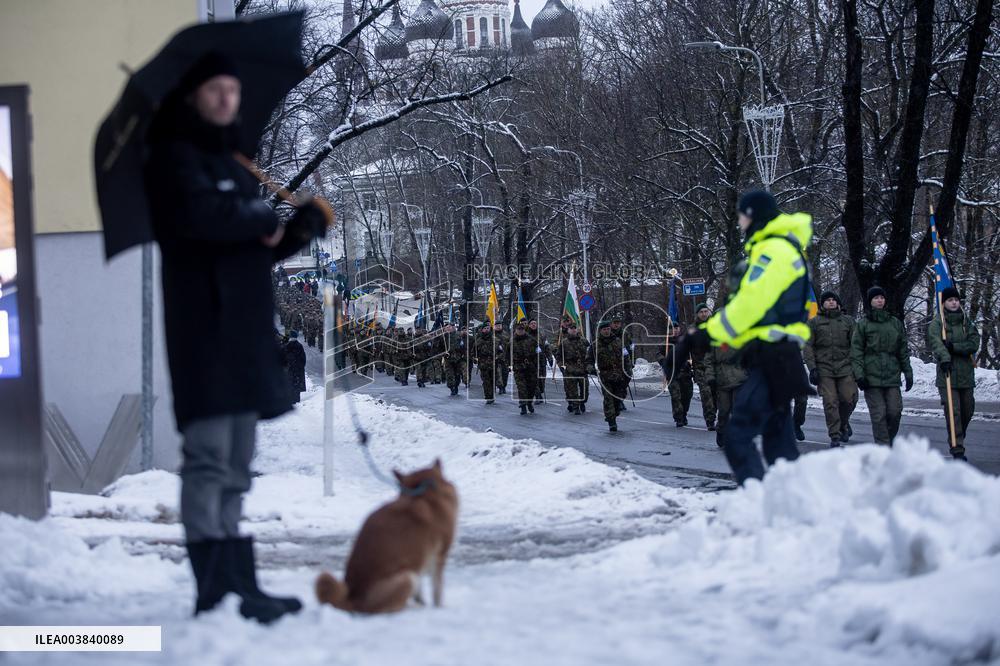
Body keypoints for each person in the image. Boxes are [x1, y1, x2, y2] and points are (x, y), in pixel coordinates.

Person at [144, 53, 327, 622]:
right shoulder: (176, 160)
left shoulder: (231, 162)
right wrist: (260, 217)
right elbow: (205, 223)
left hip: (245, 337)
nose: (225, 99)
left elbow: (255, 249)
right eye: (214, 89)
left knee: (239, 461)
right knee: (209, 460)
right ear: (195, 97)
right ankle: (212, 586)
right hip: (203, 339)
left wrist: (304, 225)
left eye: (231, 89)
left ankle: (235, 581)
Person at [684, 190, 812, 485]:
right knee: (777, 438)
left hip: (774, 356)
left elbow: (751, 304)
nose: (740, 221)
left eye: (743, 215)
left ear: (754, 215)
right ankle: (794, 500)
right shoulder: (782, 248)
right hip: (776, 355)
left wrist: (707, 333)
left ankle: (761, 500)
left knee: (738, 434)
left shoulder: (773, 251)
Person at [851, 286, 913, 446]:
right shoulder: (863, 324)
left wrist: (908, 372)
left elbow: (902, 350)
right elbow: (856, 351)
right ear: (870, 301)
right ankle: (883, 447)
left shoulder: (895, 323)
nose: (879, 300)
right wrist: (859, 375)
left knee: (894, 412)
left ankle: (889, 441)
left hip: (892, 376)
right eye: (876, 298)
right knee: (879, 415)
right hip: (871, 377)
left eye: (882, 297)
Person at [926, 286, 979, 460]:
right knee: (953, 411)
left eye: (956, 300)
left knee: (968, 410)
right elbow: (935, 342)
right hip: (947, 373)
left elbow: (973, 343)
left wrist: (955, 347)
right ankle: (957, 448)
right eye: (950, 300)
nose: (954, 302)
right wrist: (945, 357)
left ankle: (958, 435)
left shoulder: (966, 322)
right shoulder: (938, 322)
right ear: (944, 303)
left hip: (965, 375)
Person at [803, 291, 858, 447]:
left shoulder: (848, 321)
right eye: (827, 300)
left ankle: (843, 424)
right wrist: (812, 368)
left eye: (834, 300)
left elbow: (856, 345)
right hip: (824, 369)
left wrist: (857, 367)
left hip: (845, 367)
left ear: (838, 303)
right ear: (822, 304)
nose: (831, 302)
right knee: (830, 402)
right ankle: (835, 435)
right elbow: (807, 346)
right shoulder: (814, 323)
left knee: (849, 399)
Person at [704, 343, 747, 449]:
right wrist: (710, 376)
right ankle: (721, 430)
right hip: (722, 380)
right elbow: (708, 360)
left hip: (740, 379)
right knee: (724, 410)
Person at [590, 320, 627, 431]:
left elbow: (626, 357)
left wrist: (628, 370)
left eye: (608, 329)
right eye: (604, 329)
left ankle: (614, 413)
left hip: (619, 375)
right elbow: (589, 360)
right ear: (600, 331)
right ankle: (611, 421)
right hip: (605, 375)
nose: (606, 331)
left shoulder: (618, 341)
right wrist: (591, 369)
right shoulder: (595, 345)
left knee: (618, 398)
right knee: (608, 398)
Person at [659, 326, 694, 427]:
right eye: (672, 328)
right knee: (676, 396)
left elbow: (694, 354)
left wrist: (692, 362)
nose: (675, 330)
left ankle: (684, 414)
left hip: (685, 374)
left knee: (687, 396)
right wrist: (665, 361)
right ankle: (678, 418)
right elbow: (658, 354)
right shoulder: (665, 343)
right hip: (672, 374)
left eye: (676, 328)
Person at [689, 304, 717, 431]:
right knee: (706, 395)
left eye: (706, 311)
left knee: (716, 395)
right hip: (700, 368)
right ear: (697, 314)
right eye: (701, 312)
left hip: (715, 367)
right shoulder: (692, 329)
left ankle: (714, 416)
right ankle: (710, 421)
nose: (704, 314)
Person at [556, 321, 589, 414]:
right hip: (570, 369)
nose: (573, 330)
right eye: (571, 328)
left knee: (585, 390)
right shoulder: (564, 343)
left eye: (575, 328)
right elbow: (559, 356)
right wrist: (561, 365)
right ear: (568, 330)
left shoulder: (584, 341)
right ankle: (576, 406)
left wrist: (589, 365)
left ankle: (582, 402)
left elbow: (590, 354)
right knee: (572, 390)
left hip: (582, 369)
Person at [512, 321, 539, 414]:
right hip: (518, 368)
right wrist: (509, 365)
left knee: (531, 387)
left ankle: (529, 402)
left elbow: (538, 352)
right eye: (519, 329)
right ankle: (523, 405)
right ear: (515, 330)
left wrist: (536, 363)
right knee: (521, 387)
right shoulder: (512, 342)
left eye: (522, 329)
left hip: (530, 367)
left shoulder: (531, 340)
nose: (520, 331)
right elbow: (507, 354)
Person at [610, 314, 633, 412]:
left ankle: (620, 399)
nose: (616, 325)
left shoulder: (625, 333)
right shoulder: (608, 333)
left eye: (618, 323)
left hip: (625, 360)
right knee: (617, 382)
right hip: (613, 362)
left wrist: (632, 359)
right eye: (614, 323)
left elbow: (631, 346)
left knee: (626, 379)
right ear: (611, 324)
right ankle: (618, 401)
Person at [528, 319, 554, 403]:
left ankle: (540, 392)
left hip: (542, 359)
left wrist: (550, 358)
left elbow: (547, 347)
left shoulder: (542, 335)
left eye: (535, 323)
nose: (533, 325)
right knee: (533, 378)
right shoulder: (526, 335)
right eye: (532, 323)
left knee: (542, 378)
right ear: (529, 325)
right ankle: (537, 395)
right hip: (531, 361)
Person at [474, 322, 498, 404]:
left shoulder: (495, 339)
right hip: (483, 364)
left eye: (488, 328)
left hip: (493, 363)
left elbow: (500, 350)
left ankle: (492, 394)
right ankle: (488, 397)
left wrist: (498, 357)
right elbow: (473, 351)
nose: (487, 330)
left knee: (493, 380)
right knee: (486, 381)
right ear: (482, 330)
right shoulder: (479, 340)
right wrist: (475, 358)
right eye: (485, 328)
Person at [442, 322, 466, 396]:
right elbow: (438, 349)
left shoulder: (459, 335)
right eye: (447, 327)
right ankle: (452, 388)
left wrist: (463, 354)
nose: (448, 328)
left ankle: (456, 386)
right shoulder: (443, 337)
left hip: (458, 359)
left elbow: (463, 346)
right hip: (448, 359)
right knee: (449, 374)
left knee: (457, 374)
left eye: (450, 327)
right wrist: (443, 353)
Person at [283, 331, 307, 403]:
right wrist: (301, 367)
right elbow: (303, 359)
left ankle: (290, 400)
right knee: (297, 384)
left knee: (290, 384)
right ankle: (297, 399)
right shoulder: (299, 346)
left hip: (289, 369)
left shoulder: (286, 346)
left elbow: (283, 358)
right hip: (298, 369)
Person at [493, 321, 510, 395]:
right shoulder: (492, 335)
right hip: (496, 358)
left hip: (505, 358)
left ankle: (504, 386)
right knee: (498, 373)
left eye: (499, 325)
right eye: (497, 326)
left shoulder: (506, 334)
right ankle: (500, 387)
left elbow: (510, 346)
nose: (498, 327)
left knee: (505, 374)